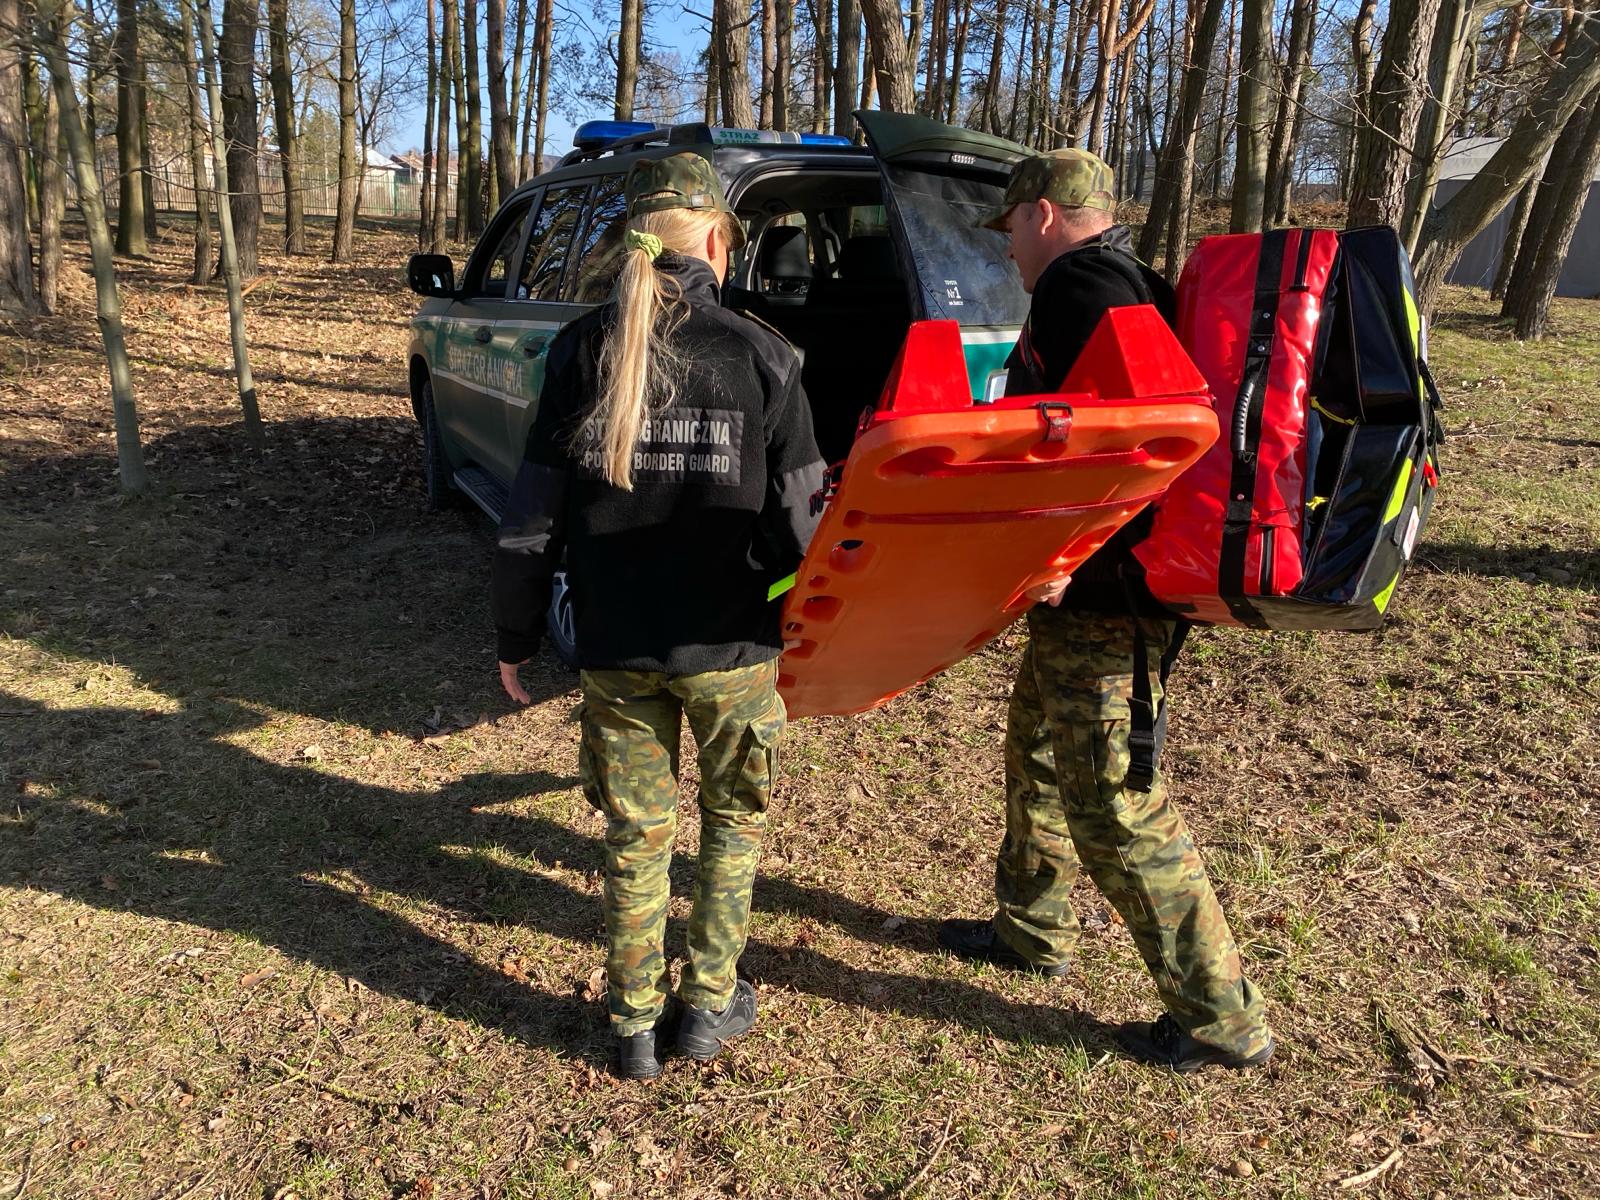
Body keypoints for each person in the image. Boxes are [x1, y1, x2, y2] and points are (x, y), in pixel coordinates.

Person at [936, 148, 1275, 1073]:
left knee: (1118, 806)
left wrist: (1076, 569)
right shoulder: (1124, 283)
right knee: (1036, 750)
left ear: (1042, 212)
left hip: (1112, 597)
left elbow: (1141, 447)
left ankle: (1219, 1020)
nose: (1007, 247)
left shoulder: (1088, 287)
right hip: (1087, 584)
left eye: (1008, 226)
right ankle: (1030, 928)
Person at [491, 152, 825, 1080]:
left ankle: (633, 1024)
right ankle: (709, 1008)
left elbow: (531, 521)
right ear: (718, 240)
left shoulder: (579, 348)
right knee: (732, 824)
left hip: (616, 642)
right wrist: (809, 609)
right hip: (729, 642)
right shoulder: (765, 354)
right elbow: (806, 519)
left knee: (635, 835)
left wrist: (516, 637)